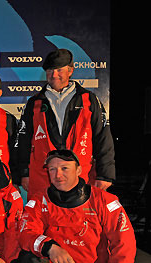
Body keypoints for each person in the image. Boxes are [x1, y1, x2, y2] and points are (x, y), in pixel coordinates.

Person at [13, 149, 136, 263]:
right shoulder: (40, 200)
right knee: (27, 260)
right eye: (52, 169)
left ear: (79, 170)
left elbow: (125, 244)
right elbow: (25, 232)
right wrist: (50, 247)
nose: (58, 174)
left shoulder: (105, 201)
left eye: (64, 168)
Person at [17, 49, 115, 198]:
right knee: (41, 220)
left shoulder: (89, 100)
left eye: (59, 70)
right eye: (50, 70)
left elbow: (103, 138)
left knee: (79, 219)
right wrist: (23, 173)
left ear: (70, 70)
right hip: (43, 178)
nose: (54, 75)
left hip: (81, 176)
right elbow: (23, 140)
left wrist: (105, 175)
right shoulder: (34, 103)